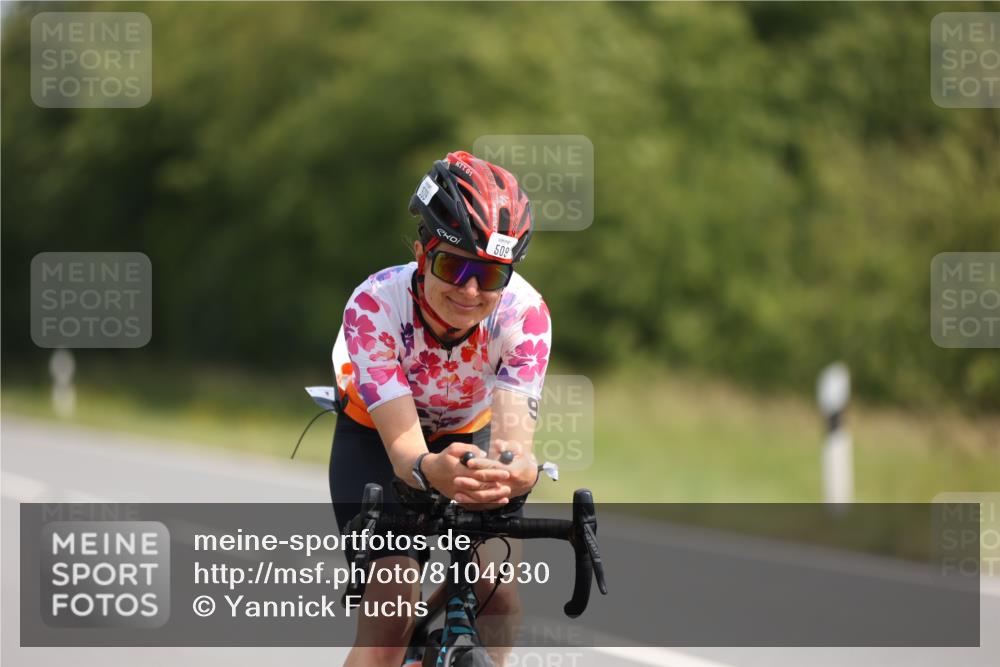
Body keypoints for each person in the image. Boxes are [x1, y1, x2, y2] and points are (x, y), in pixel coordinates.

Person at [328, 150, 551, 666]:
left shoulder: (527, 316)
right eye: (454, 265)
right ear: (422, 252)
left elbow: (514, 444)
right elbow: (406, 450)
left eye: (492, 275)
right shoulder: (373, 306)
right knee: (389, 616)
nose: (470, 290)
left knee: (497, 594)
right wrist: (430, 469)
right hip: (377, 441)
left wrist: (517, 472)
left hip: (466, 435)